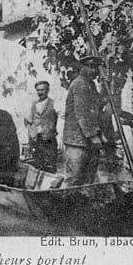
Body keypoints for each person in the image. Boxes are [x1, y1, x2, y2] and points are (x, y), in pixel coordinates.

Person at [63, 56, 104, 186]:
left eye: (96, 67)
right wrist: (93, 135)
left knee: (89, 178)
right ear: (82, 67)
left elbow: (98, 105)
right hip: (77, 140)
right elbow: (82, 112)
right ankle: (66, 205)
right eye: (91, 67)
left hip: (87, 140)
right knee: (75, 177)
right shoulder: (80, 83)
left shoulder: (90, 84)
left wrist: (107, 89)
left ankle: (84, 205)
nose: (94, 70)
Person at [24, 81, 58, 172]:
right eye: (38, 90)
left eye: (42, 90)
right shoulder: (33, 104)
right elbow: (28, 121)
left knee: (50, 165)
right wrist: (31, 137)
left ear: (48, 90)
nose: (40, 92)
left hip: (49, 140)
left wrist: (54, 131)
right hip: (36, 140)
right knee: (37, 165)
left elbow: (61, 119)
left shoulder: (54, 103)